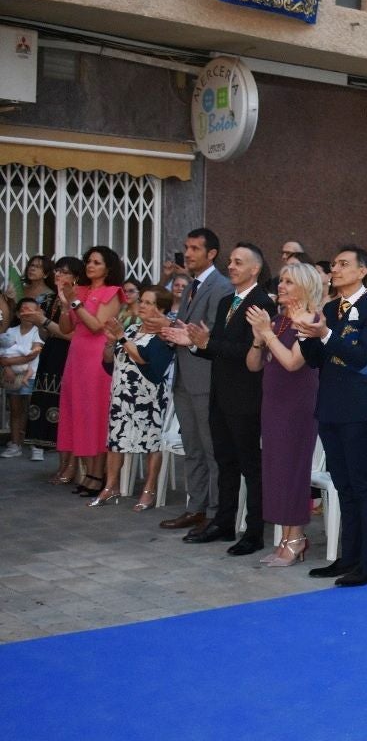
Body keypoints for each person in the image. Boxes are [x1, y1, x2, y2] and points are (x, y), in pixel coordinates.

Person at [168, 243, 276, 554]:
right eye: (230, 261)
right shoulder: (227, 300)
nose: (231, 266)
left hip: (246, 397)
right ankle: (224, 522)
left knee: (250, 466)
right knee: (225, 461)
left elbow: (249, 352)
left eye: (239, 262)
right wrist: (195, 343)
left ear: (255, 269)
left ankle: (254, 532)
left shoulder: (261, 304)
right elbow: (216, 348)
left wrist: (207, 343)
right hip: (220, 393)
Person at [297, 246, 367, 586]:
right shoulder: (328, 309)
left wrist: (324, 333)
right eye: (334, 264)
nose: (335, 269)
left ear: (362, 271)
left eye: (343, 264)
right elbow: (314, 359)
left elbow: (361, 355)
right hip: (329, 404)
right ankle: (348, 557)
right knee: (342, 485)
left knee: (363, 484)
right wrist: (305, 332)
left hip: (357, 406)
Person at [150, 228, 233, 534]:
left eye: (195, 248)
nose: (188, 253)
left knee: (211, 449)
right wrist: (169, 330)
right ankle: (195, 507)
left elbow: (210, 332)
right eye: (187, 247)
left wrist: (177, 330)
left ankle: (216, 512)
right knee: (192, 448)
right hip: (184, 378)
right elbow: (185, 328)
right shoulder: (189, 287)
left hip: (206, 379)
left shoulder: (221, 287)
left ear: (212, 253)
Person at [247, 262, 323, 566]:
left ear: (305, 286)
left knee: (293, 470)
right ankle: (285, 538)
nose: (281, 286)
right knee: (277, 469)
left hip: (298, 405)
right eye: (281, 281)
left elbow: (293, 362)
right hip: (273, 403)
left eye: (289, 282)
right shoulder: (278, 321)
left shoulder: (312, 320)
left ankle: (297, 538)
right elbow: (253, 364)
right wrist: (258, 337)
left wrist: (267, 333)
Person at [94, 286, 174, 510]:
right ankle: (111, 486)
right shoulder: (131, 329)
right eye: (142, 301)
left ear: (161, 309)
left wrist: (120, 337)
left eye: (149, 303)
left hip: (148, 397)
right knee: (116, 441)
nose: (142, 306)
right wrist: (111, 342)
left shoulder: (164, 335)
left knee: (152, 443)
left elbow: (143, 359)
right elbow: (109, 362)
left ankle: (149, 489)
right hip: (122, 395)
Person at [57, 245, 125, 498]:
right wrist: (65, 304)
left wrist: (75, 302)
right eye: (88, 261)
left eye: (97, 262)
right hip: (76, 355)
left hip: (96, 358)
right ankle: (88, 472)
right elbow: (66, 328)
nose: (90, 266)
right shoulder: (81, 290)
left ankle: (98, 474)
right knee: (77, 411)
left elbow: (97, 325)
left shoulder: (112, 292)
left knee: (94, 414)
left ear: (108, 268)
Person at [29, 257, 82, 470]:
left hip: (69, 355)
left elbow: (73, 335)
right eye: (57, 270)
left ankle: (71, 466)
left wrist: (44, 322)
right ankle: (61, 464)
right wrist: (39, 322)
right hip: (50, 354)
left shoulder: (78, 299)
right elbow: (45, 334)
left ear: (76, 277)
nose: (58, 275)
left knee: (65, 410)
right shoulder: (50, 299)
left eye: (65, 272)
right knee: (46, 403)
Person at [1, 298, 44, 460]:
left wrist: (8, 363)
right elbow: (2, 353)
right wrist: (7, 368)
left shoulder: (38, 332)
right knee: (15, 410)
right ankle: (15, 444)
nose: (28, 313)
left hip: (32, 375)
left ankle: (36, 445)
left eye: (33, 310)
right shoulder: (11, 332)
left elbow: (33, 354)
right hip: (13, 376)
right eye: (25, 310)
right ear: (18, 314)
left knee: (32, 410)